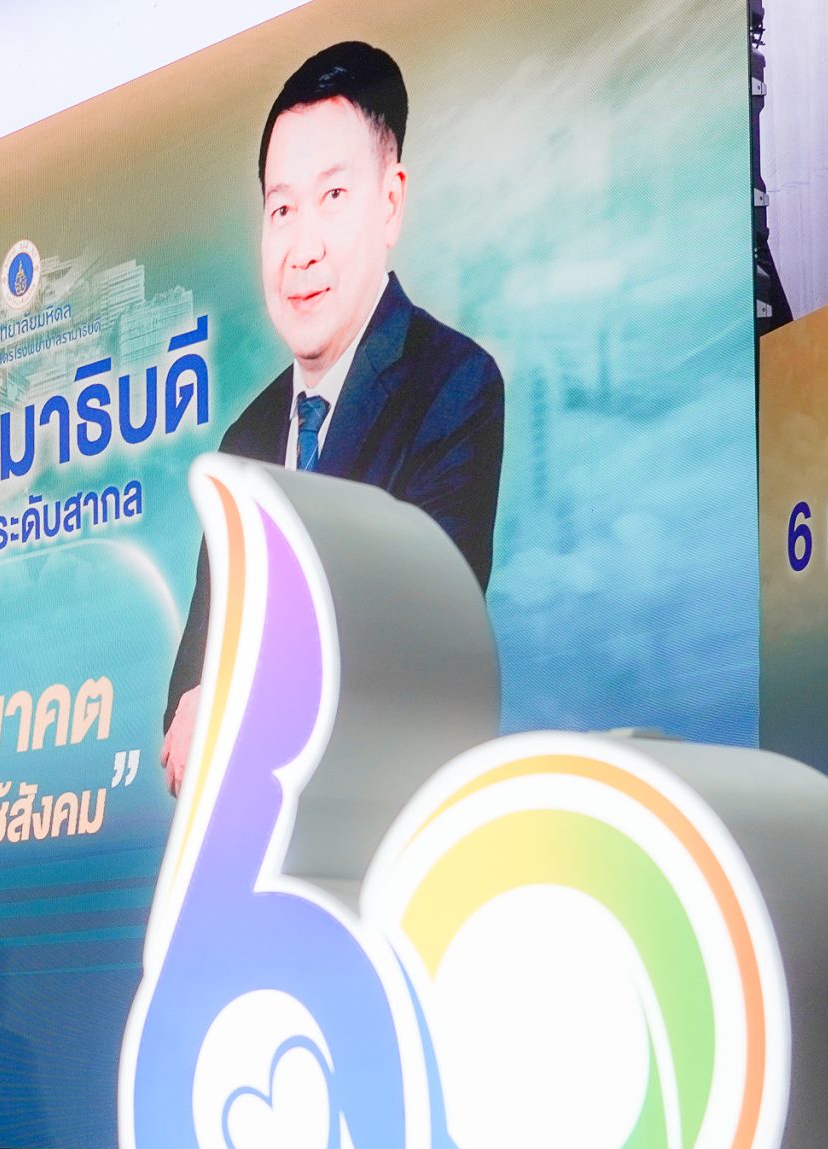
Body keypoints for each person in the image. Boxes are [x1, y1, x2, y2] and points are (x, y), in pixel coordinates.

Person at [160, 41, 506, 793]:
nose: (302, 248)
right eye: (282, 209)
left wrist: (234, 704)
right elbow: (187, 699)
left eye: (334, 197)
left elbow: (420, 650)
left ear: (390, 203)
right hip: (262, 841)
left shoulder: (452, 384)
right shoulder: (245, 443)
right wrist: (204, 704)